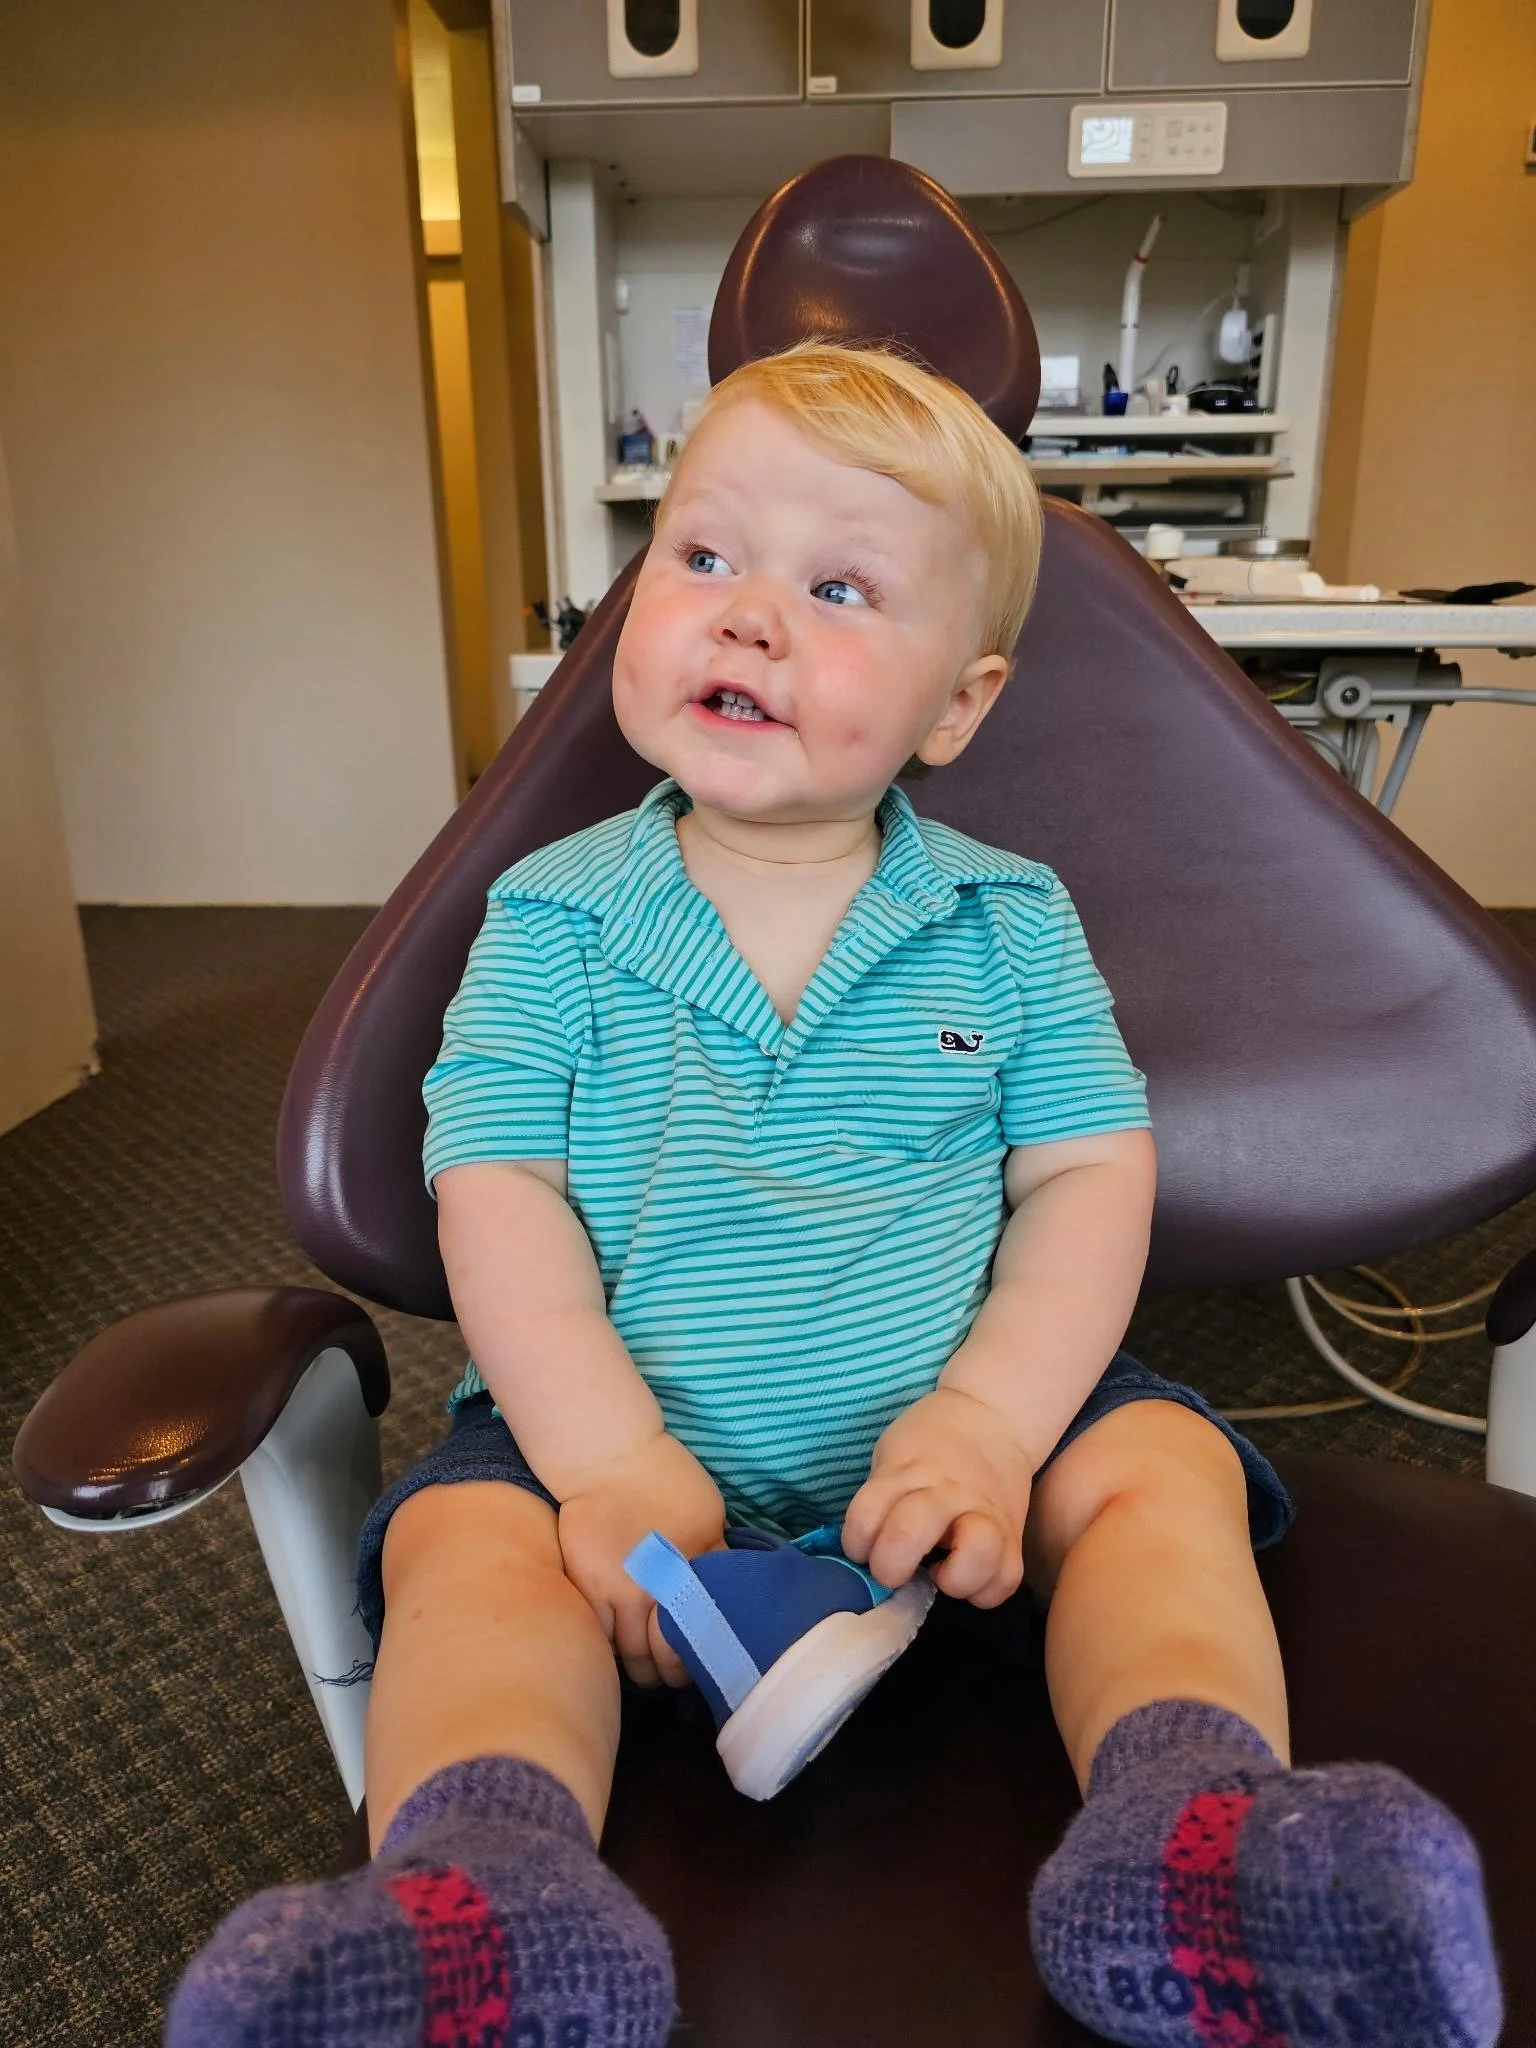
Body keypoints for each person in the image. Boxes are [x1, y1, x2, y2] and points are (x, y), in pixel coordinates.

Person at [169, 343, 1500, 2048]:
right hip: (614, 1446)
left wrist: (993, 1425)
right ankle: (488, 1907)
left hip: (968, 1446)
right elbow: (491, 1183)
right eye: (703, 557)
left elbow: (1092, 1173)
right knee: (463, 1551)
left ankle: (1197, 1840)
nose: (745, 616)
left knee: (1163, 1471)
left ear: (958, 704)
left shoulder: (1011, 920)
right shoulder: (556, 916)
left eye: (842, 585)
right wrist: (600, 1458)